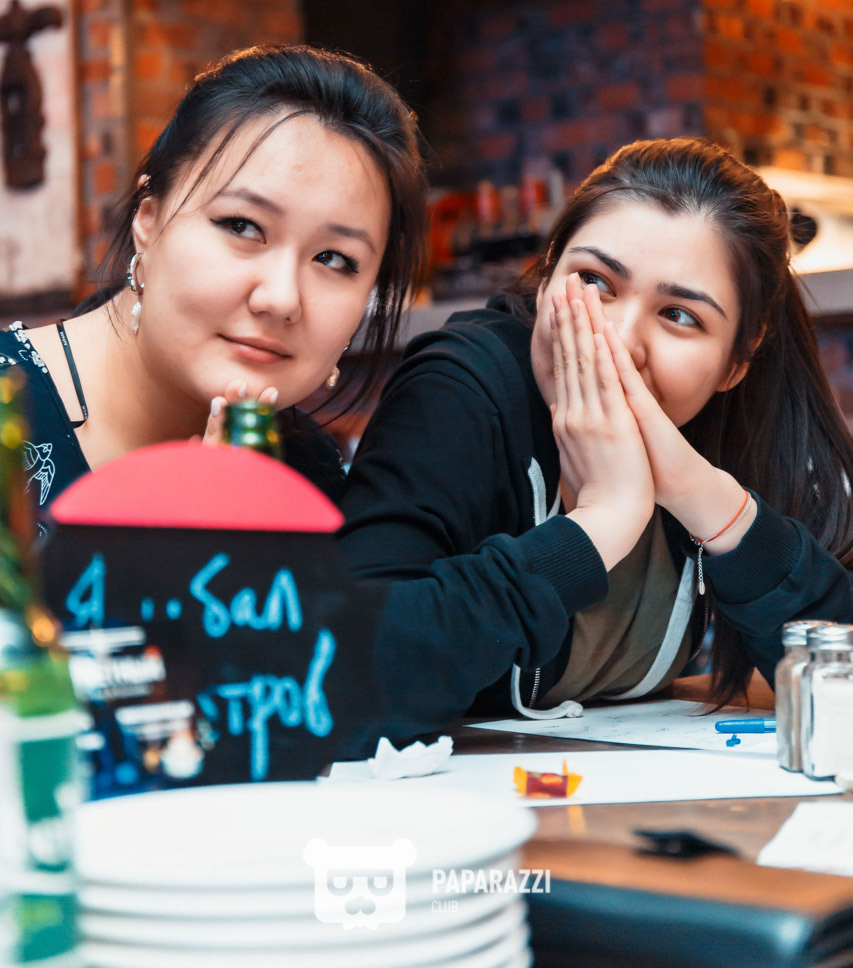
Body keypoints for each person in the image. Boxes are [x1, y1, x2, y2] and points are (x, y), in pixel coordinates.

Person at [338, 137, 853, 742]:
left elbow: (838, 677)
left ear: (737, 362)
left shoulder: (726, 435)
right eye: (594, 281)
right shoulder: (459, 391)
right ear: (547, 275)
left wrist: (707, 499)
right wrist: (601, 524)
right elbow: (342, 680)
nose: (619, 341)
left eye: (679, 315)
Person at [0, 44, 427, 522]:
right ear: (148, 218)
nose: (280, 298)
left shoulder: (308, 477)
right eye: (242, 226)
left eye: (334, 259)